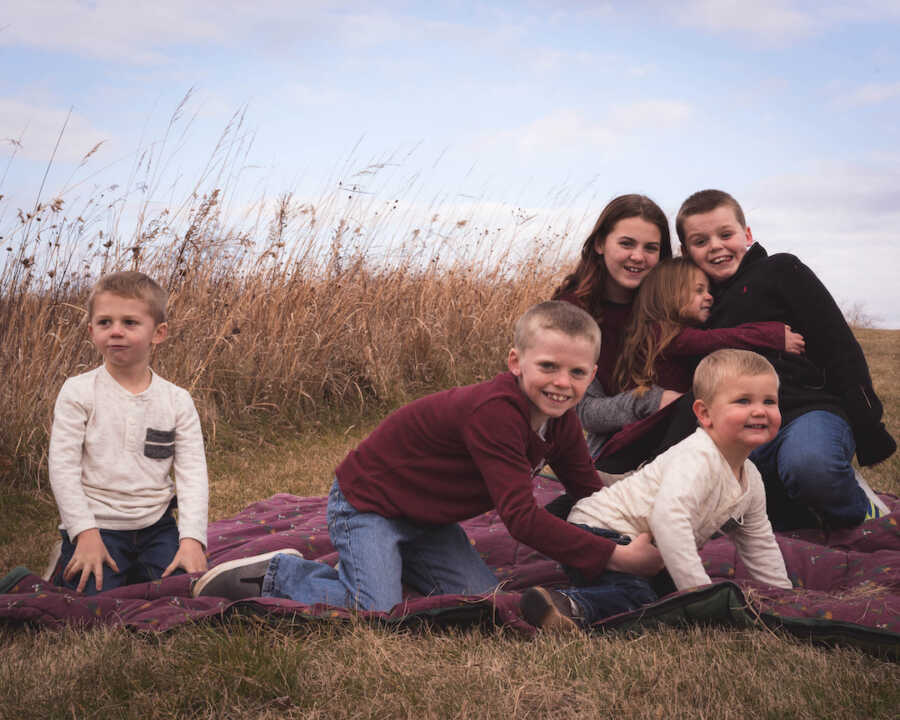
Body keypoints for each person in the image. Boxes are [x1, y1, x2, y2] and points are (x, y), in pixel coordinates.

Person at [192, 301, 664, 612]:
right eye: (548, 367)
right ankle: (281, 572)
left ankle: (383, 563)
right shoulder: (497, 413)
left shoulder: (560, 420)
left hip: (429, 520)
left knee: (485, 601)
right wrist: (618, 558)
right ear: (516, 362)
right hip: (369, 503)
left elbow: (586, 488)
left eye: (576, 372)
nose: (562, 382)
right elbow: (521, 520)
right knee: (374, 608)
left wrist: (633, 529)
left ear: (592, 374)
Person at [521, 349, 793, 632]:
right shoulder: (698, 459)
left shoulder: (750, 477)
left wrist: (782, 598)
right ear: (705, 414)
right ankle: (565, 604)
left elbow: (758, 541)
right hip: (600, 532)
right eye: (743, 401)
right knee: (640, 599)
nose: (760, 410)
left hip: (647, 547)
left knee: (666, 596)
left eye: (769, 401)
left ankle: (603, 595)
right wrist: (701, 595)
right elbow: (669, 520)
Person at [675, 189, 895, 529]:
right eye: (701, 241)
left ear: (747, 235)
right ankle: (798, 513)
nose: (716, 246)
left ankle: (856, 508)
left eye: (726, 234)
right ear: (686, 252)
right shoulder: (695, 302)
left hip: (805, 410)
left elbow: (837, 343)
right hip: (739, 429)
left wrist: (868, 425)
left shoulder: (780, 270)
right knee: (719, 508)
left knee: (810, 466)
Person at [49, 271, 209, 594]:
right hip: (98, 523)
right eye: (105, 322)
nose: (116, 332)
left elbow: (192, 473)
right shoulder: (78, 392)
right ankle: (68, 553)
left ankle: (143, 566)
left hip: (156, 525)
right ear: (91, 330)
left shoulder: (176, 400)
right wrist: (84, 532)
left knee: (182, 590)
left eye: (130, 323)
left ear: (158, 332)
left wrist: (192, 539)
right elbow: (62, 468)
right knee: (92, 598)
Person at [594, 258, 806, 465]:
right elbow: (716, 339)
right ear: (671, 294)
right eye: (698, 290)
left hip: (658, 435)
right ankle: (650, 473)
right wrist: (772, 335)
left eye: (708, 291)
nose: (709, 297)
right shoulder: (662, 333)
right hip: (641, 442)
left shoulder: (664, 332)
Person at [552, 194, 678, 461]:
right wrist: (651, 401)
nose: (638, 256)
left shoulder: (672, 306)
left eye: (651, 248)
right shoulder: (572, 314)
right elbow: (585, 411)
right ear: (600, 244)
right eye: (626, 244)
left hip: (679, 439)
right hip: (615, 451)